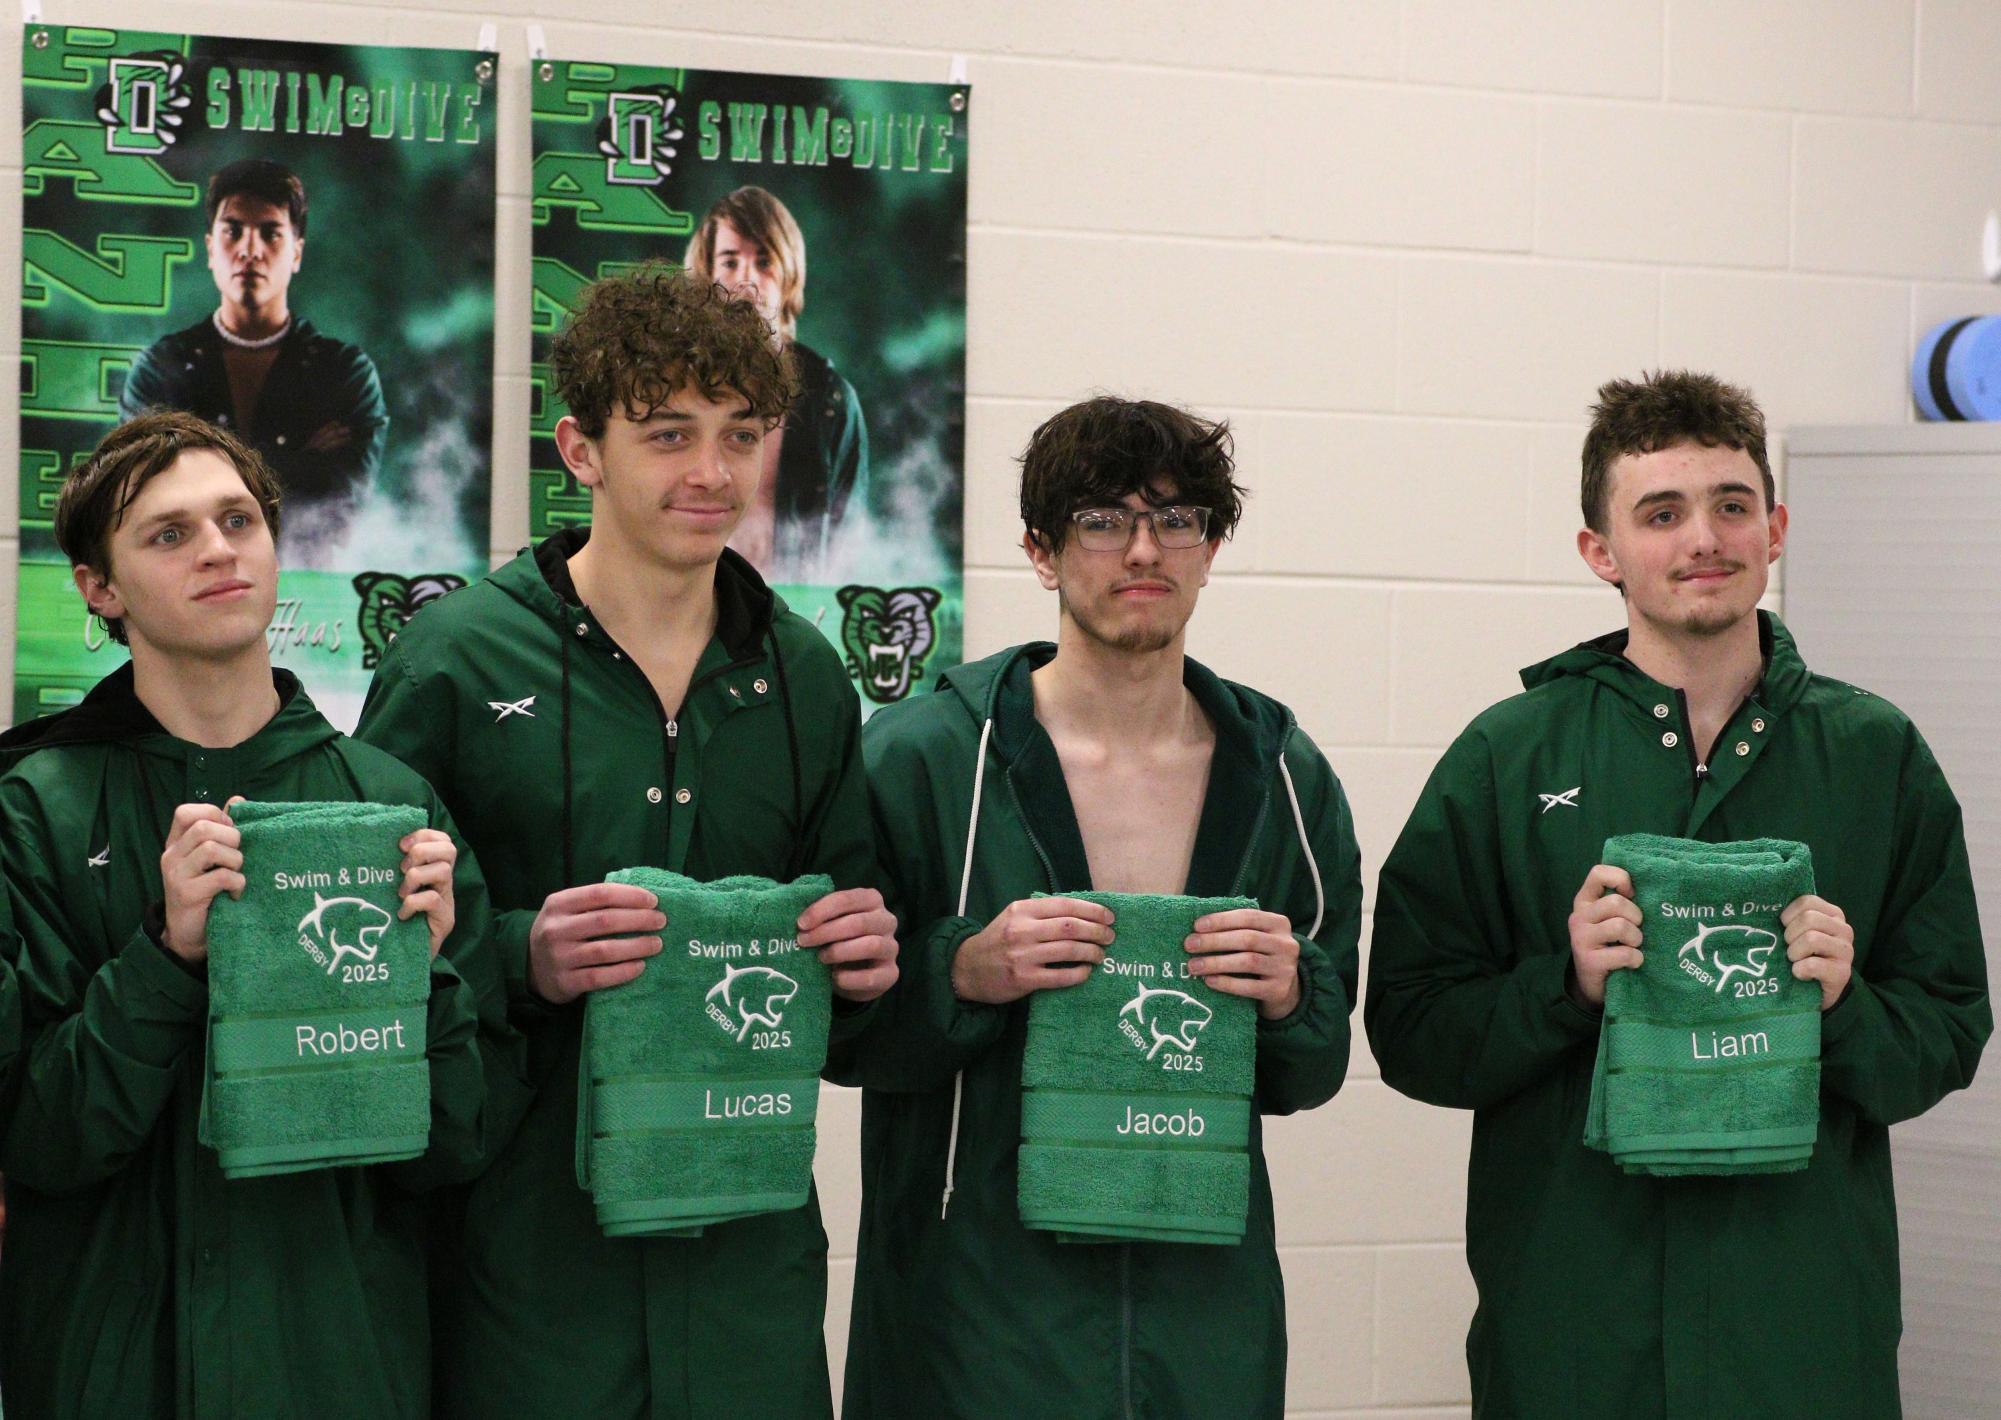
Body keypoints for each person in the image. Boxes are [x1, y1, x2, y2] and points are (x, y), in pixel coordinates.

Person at [1365, 370, 1991, 1420]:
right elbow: (1412, 1030)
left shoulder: (1876, 756)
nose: (1704, 536)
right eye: (1662, 512)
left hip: (1801, 1339)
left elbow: (1949, 1031)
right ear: (1600, 551)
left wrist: (1847, 1005)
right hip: (1575, 1332)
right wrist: (1562, 987)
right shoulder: (1507, 757)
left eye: (1731, 505)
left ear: (1776, 527)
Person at [353, 265, 899, 1419]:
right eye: (667, 434)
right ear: (580, 448)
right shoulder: (453, 661)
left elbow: (850, 997)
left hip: (745, 1263)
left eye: (741, 434)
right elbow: (363, 953)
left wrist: (859, 963)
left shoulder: (805, 675)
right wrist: (518, 955)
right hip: (527, 1266)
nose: (712, 473)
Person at [837, 396, 1361, 1419]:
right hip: (977, 1307)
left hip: (1202, 1311)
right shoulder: (922, 758)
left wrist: (1293, 995)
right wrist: (960, 971)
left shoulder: (1285, 773)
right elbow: (838, 1029)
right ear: (1040, 550)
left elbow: (1317, 1066)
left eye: (1177, 520)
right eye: (1103, 520)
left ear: (1211, 548)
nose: (1143, 550)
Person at [0, 411, 524, 1418]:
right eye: (169, 533)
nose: (217, 550)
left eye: (238, 520)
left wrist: (437, 974)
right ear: (99, 588)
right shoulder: (34, 809)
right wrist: (165, 956)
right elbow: (35, 1132)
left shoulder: (392, 805)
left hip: (335, 1363)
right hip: (107, 1368)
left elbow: (461, 1145)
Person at [119, 159, 388, 557]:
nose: (250, 250)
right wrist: (301, 461)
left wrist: (201, 467)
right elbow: (145, 497)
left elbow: (340, 503)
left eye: (270, 232)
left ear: (296, 252)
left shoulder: (345, 373)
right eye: (233, 231)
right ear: (211, 248)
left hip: (307, 590)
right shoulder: (159, 369)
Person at [682, 185, 868, 572]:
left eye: (764, 261)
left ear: (788, 275)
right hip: (691, 608)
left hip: (794, 613)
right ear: (707, 272)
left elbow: (850, 544)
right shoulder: (675, 386)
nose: (746, 279)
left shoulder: (831, 401)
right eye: (730, 262)